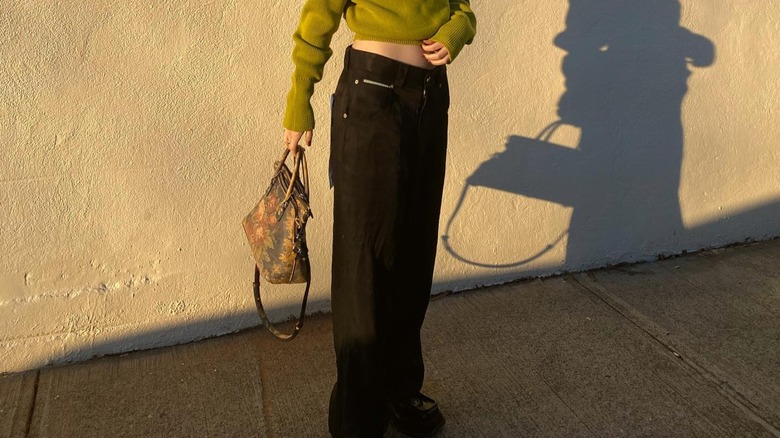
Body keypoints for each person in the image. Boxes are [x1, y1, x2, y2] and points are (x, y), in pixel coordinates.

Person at [281, 1, 476, 436]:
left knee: (415, 251)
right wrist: (300, 98)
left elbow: (462, 9)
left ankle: (399, 390)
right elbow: (318, 17)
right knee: (365, 261)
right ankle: (357, 420)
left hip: (431, 94)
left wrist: (456, 33)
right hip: (371, 91)